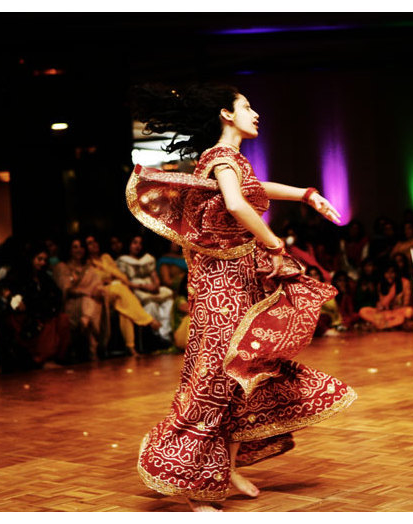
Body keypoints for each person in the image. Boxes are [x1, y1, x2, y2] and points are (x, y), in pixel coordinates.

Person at [128, 82, 356, 511]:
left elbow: (251, 189)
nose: (256, 113)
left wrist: (306, 195)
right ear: (226, 114)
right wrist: (273, 242)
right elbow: (236, 204)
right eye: (247, 106)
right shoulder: (221, 157)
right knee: (214, 379)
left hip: (238, 281)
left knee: (241, 374)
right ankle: (195, 481)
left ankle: (224, 468)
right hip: (221, 287)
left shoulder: (228, 160)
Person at [84, 235, 161, 357]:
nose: (94, 245)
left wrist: (123, 281)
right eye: (90, 243)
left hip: (116, 288)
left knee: (124, 311)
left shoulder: (105, 258)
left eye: (95, 242)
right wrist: (109, 278)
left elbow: (119, 274)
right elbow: (95, 281)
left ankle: (130, 347)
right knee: (121, 288)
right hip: (100, 292)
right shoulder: (88, 264)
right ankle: (149, 320)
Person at [117, 235, 175, 343]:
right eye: (135, 243)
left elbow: (154, 275)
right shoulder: (123, 260)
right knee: (151, 305)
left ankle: (165, 334)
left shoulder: (147, 259)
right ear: (129, 244)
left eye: (140, 243)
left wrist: (156, 285)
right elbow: (125, 281)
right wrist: (142, 286)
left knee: (168, 301)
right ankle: (154, 336)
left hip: (151, 286)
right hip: (136, 288)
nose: (138, 246)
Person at [358, 264, 413, 330]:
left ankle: (382, 325)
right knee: (363, 311)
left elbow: (406, 304)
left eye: (392, 272)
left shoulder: (404, 282)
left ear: (396, 273)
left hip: (398, 313)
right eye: (387, 273)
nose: (390, 275)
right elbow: (383, 304)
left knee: (409, 311)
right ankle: (388, 324)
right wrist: (381, 305)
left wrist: (394, 289)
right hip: (385, 314)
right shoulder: (381, 284)